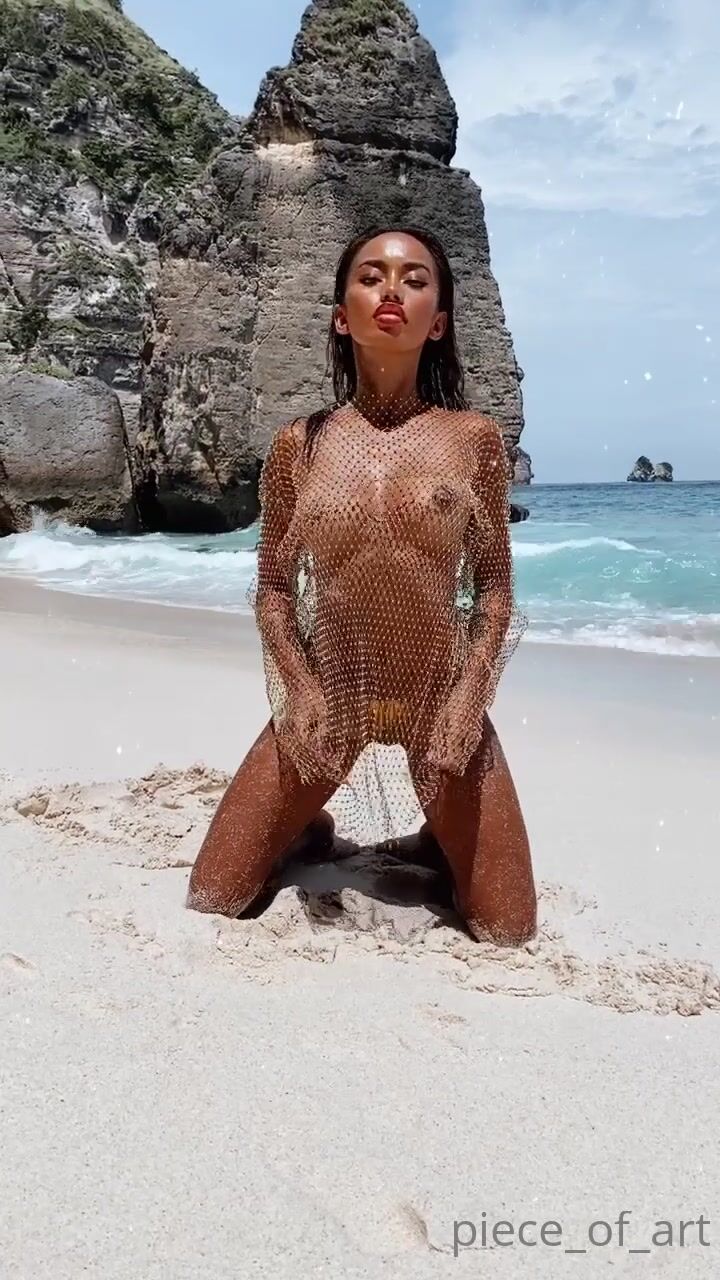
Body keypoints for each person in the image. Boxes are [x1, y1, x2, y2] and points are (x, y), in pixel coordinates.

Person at [186, 225, 537, 946]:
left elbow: (495, 591)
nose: (392, 290)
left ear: (437, 323)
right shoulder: (299, 444)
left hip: (438, 700)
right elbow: (274, 589)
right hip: (329, 701)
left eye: (415, 280)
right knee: (213, 898)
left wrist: (469, 700)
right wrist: (300, 690)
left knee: (508, 930)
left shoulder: (473, 439)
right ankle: (306, 827)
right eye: (371, 277)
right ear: (342, 317)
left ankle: (438, 839)